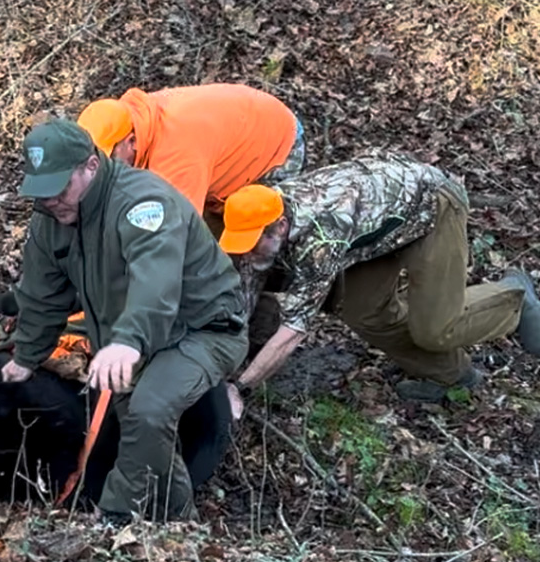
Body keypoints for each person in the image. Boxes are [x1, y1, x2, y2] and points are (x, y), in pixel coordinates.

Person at [1, 117, 248, 521]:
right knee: (142, 432)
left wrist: (126, 341)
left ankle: (113, 522)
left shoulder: (143, 204)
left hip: (202, 330)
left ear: (91, 166)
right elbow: (42, 296)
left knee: (148, 411)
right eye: (42, 193)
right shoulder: (51, 221)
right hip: (130, 340)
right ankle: (178, 525)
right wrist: (26, 356)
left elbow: (156, 282)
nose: (52, 202)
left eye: (61, 189)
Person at [220, 155, 540, 406]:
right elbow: (249, 281)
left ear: (281, 226)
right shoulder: (262, 206)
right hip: (379, 228)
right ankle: (452, 376)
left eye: (253, 242)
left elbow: (292, 333)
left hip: (433, 207)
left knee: (437, 328)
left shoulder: (321, 240)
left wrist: (241, 388)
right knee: (363, 311)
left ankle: (515, 295)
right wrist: (223, 352)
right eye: (241, 243)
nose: (247, 252)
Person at [77, 83, 304, 216]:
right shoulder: (137, 116)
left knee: (253, 234)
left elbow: (180, 233)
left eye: (109, 158)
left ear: (131, 141)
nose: (102, 170)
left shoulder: (175, 155)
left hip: (275, 145)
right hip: (238, 127)